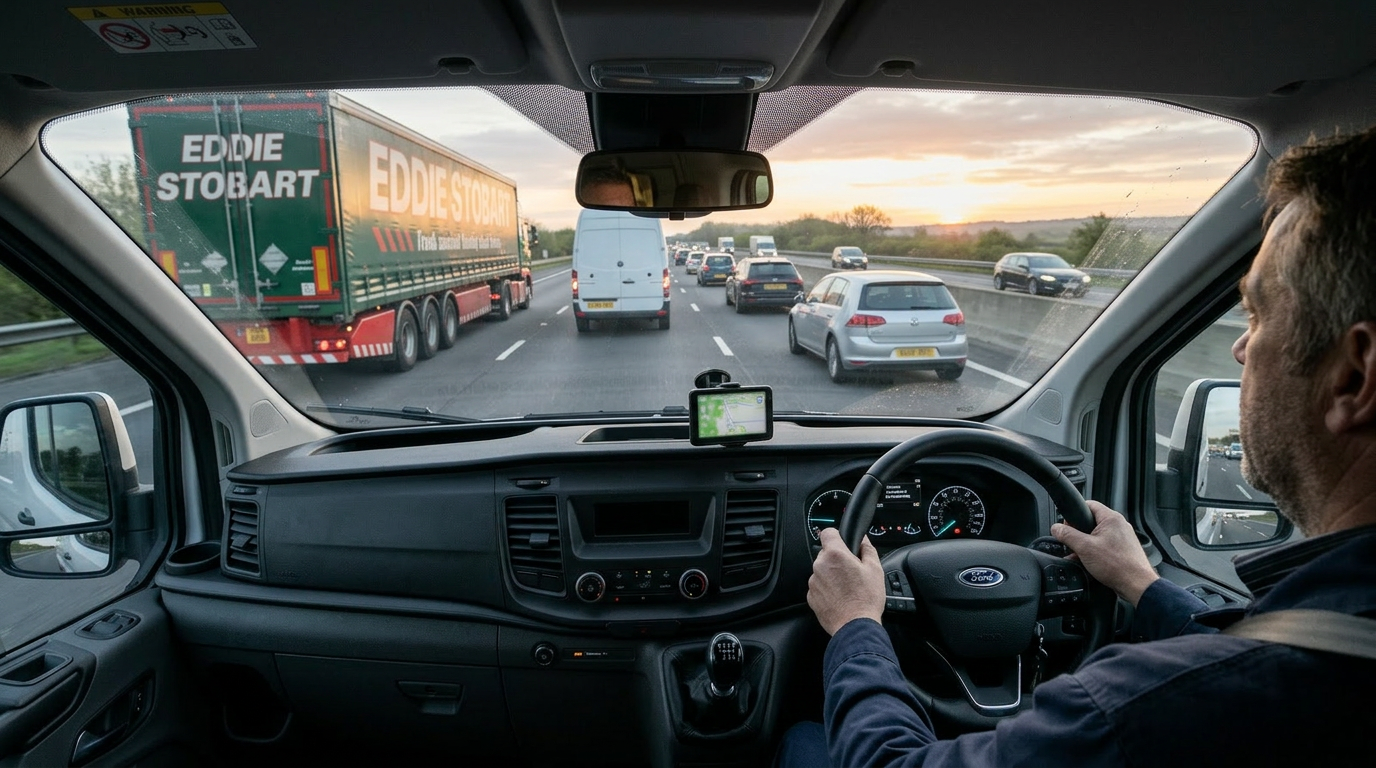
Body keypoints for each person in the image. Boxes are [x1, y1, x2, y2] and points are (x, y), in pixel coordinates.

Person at [779, 127, 1376, 766]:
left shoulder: (1134, 711)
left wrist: (858, 626)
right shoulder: (1304, 658)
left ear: (1353, 376)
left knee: (803, 740)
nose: (1239, 346)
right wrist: (1141, 583)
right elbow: (1258, 652)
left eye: (1257, 316)